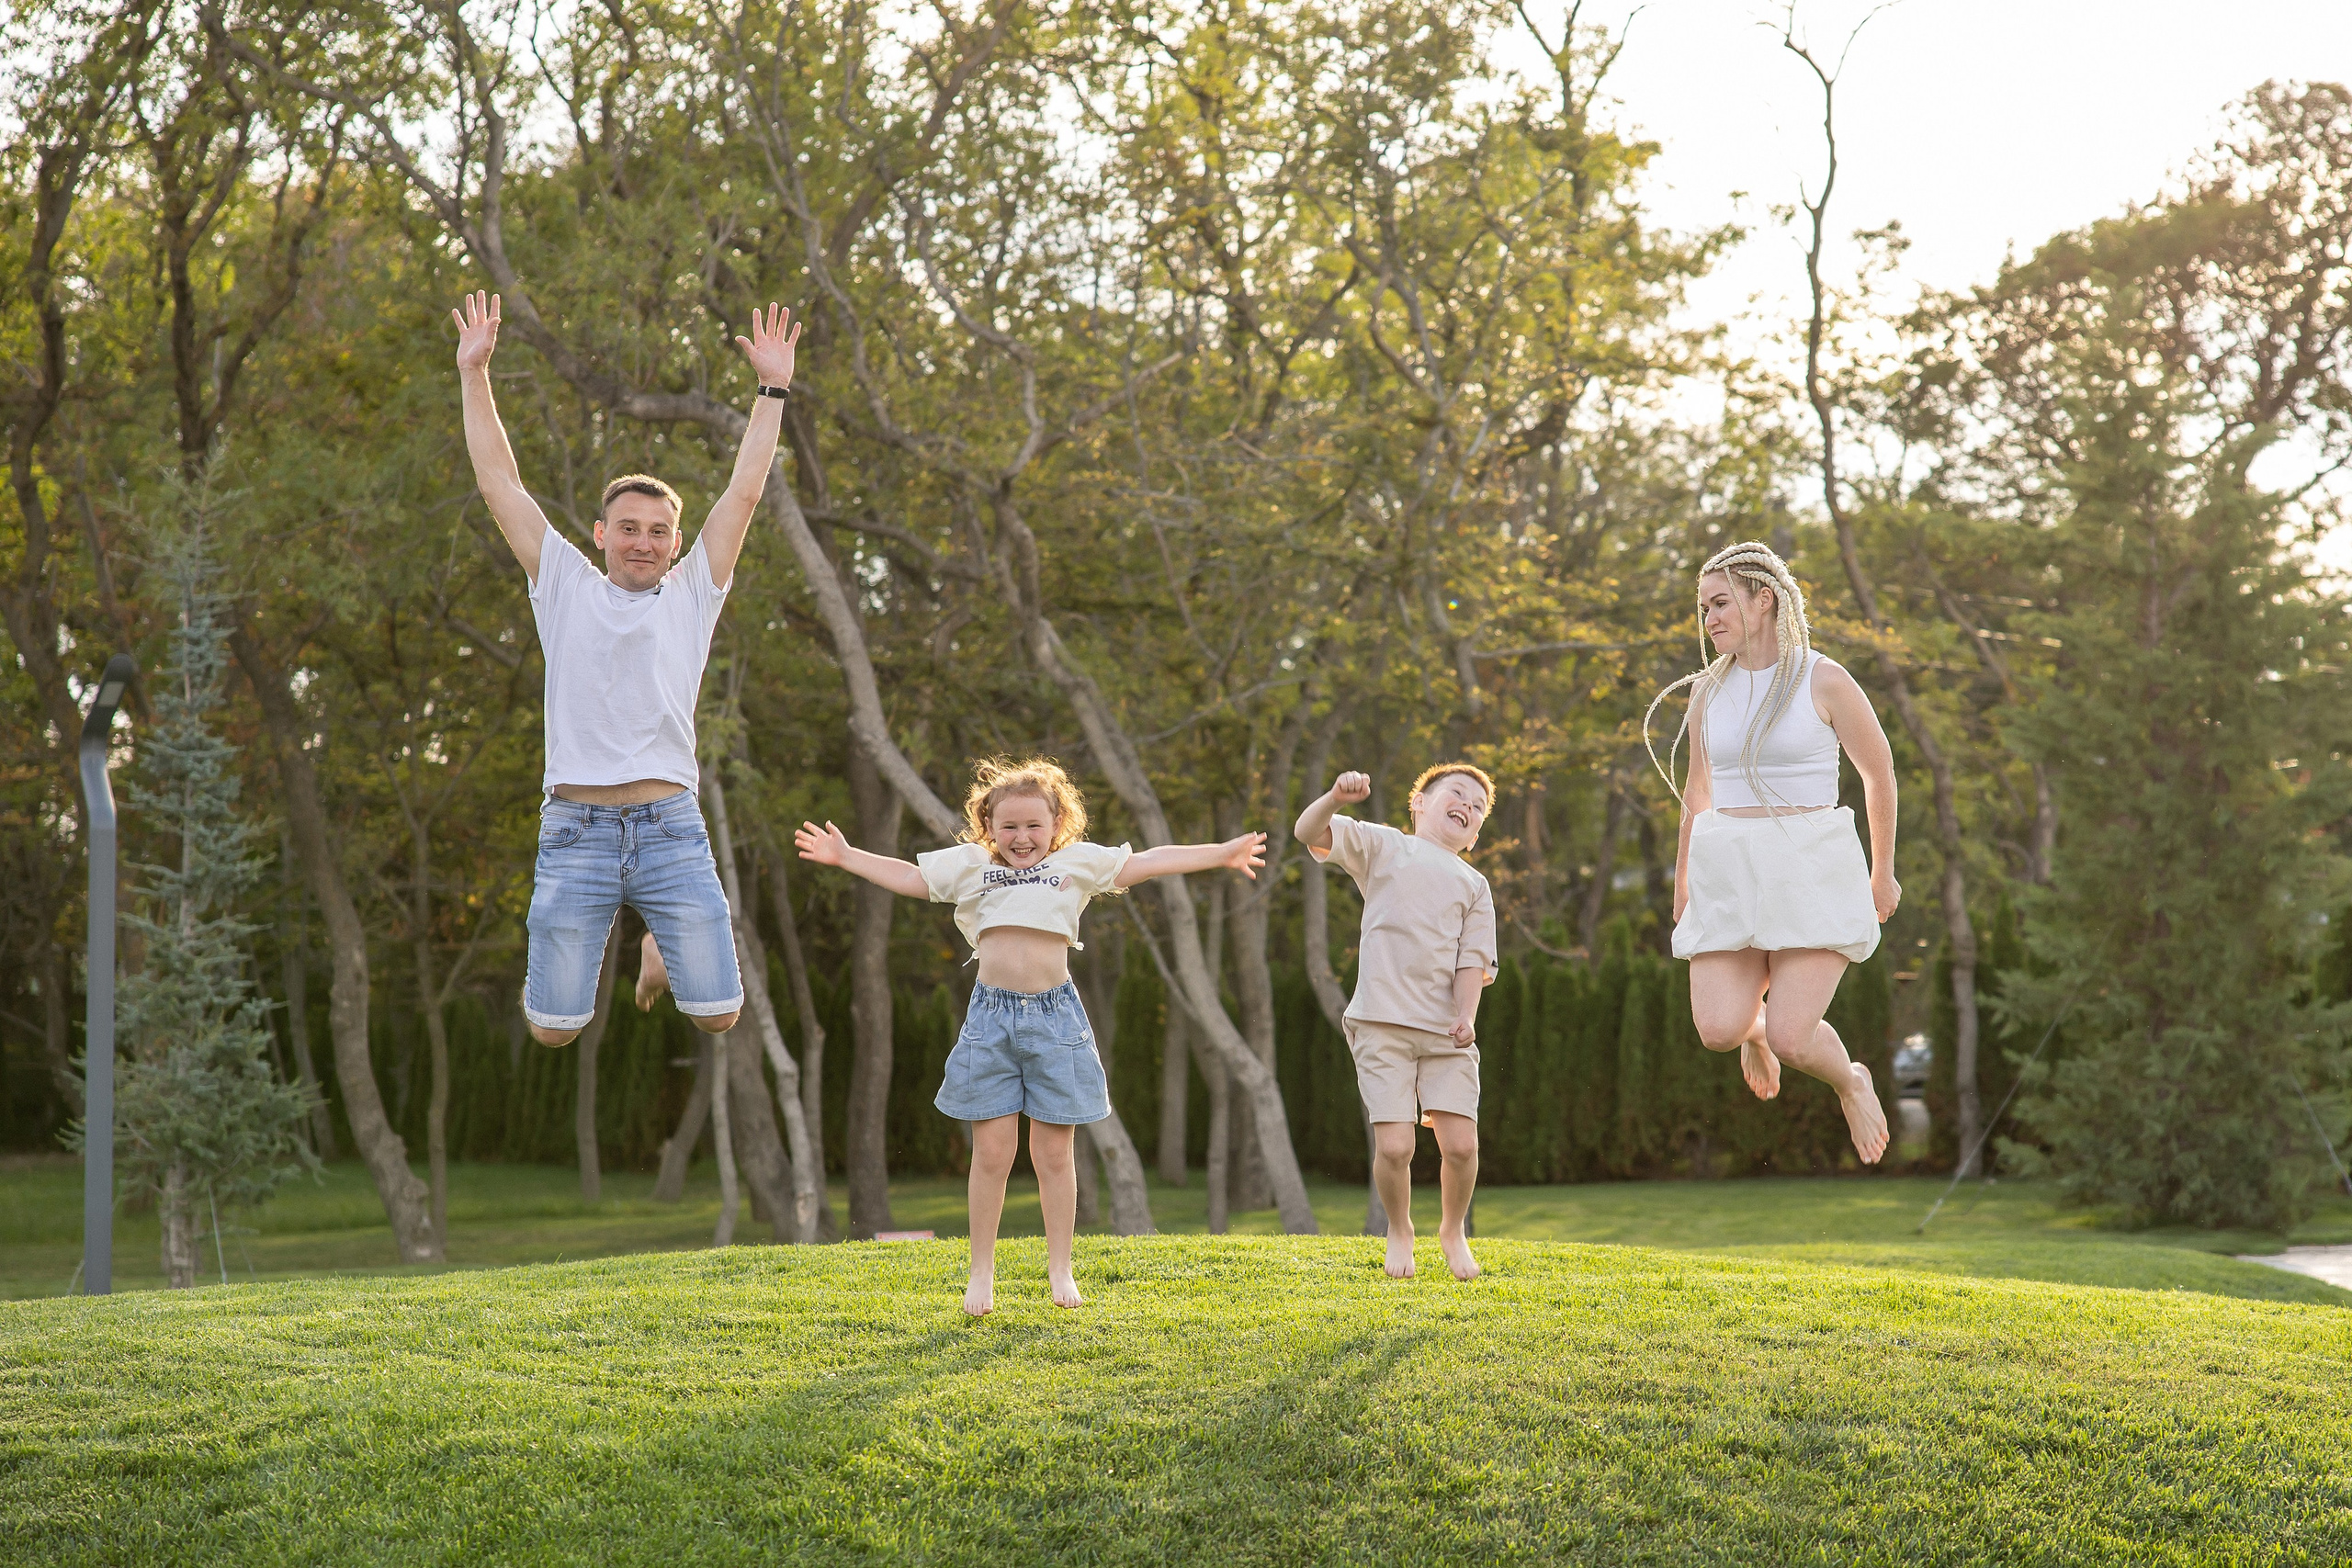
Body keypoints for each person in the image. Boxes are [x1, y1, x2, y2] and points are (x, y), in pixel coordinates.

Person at [449, 290, 801, 1047]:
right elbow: (499, 484)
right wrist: (475, 374)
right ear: (603, 533)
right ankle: (624, 932)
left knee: (719, 1014)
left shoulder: (693, 593)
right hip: (575, 828)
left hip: (669, 827)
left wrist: (771, 390)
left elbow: (744, 489)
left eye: (660, 531)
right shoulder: (564, 584)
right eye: (630, 528)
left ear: (677, 542)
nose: (644, 541)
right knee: (554, 1031)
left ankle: (657, 946)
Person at [796, 758, 1265, 1317]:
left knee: (1054, 1155)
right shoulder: (971, 866)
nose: (1021, 837)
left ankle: (1060, 1267)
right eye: (1009, 826)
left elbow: (1148, 862)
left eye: (1034, 826)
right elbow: (910, 878)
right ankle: (981, 1272)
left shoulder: (1076, 864)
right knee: (992, 1154)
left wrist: (1221, 853)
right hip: (990, 1020)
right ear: (987, 825)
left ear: (1057, 824)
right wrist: (846, 856)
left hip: (1056, 1018)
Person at [1645, 539, 1898, 1164]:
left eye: (1721, 602)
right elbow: (1696, 795)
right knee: (1719, 1030)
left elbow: (1880, 774)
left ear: (1765, 600)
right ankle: (1751, 1032)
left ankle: (1850, 1081)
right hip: (1729, 870)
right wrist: (1683, 885)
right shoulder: (1709, 691)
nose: (1710, 619)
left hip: (1809, 866)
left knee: (1792, 1036)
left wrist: (1883, 871)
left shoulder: (1824, 677)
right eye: (1704, 608)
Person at [1295, 764, 1497, 1282]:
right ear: (1420, 804)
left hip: (1446, 1033)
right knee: (1395, 1147)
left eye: (1478, 808)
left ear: (1476, 834)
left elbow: (1471, 962)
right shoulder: (1384, 847)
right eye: (1458, 794)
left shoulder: (1475, 885)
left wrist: (1466, 1018)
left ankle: (1452, 1231)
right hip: (1381, 1024)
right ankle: (1399, 1227)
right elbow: (1307, 831)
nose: (1468, 807)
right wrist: (1336, 797)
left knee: (1461, 1146)